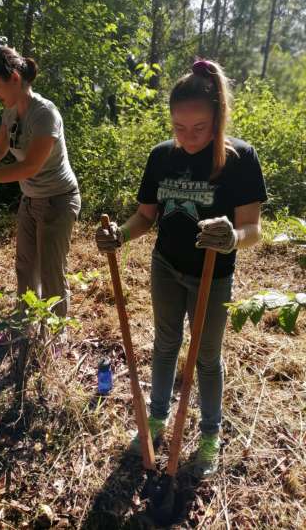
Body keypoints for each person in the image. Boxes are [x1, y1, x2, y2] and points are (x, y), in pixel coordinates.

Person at [95, 60, 267, 478]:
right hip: (167, 266)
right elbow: (145, 217)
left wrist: (231, 236)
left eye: (200, 128)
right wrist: (120, 234)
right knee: (166, 344)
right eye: (178, 127)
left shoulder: (239, 158)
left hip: (213, 272)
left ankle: (209, 435)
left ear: (218, 118)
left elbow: (253, 230)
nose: (188, 138)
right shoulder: (161, 157)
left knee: (206, 357)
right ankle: (156, 419)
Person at [0, 46, 80, 326]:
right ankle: (23, 327)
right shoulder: (11, 113)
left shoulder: (45, 114)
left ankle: (55, 335)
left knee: (51, 272)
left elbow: (29, 166)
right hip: (31, 199)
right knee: (25, 268)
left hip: (59, 200)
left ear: (13, 77)